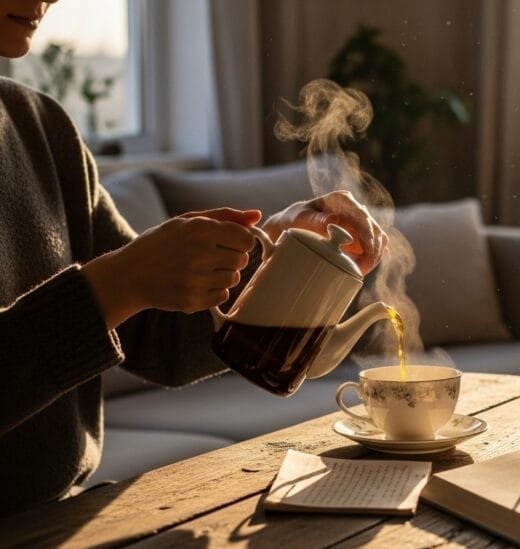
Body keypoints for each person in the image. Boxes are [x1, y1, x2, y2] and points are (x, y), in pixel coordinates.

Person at [0, 0, 388, 515]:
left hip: (59, 515)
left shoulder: (41, 127)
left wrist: (272, 258)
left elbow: (161, 345)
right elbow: (120, 290)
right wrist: (114, 286)